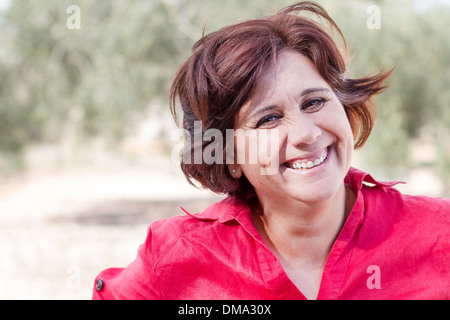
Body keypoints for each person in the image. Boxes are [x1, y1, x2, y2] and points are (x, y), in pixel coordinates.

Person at [92, 1, 449, 300]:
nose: (306, 134)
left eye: (314, 102)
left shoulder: (439, 234)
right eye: (268, 119)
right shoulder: (174, 258)